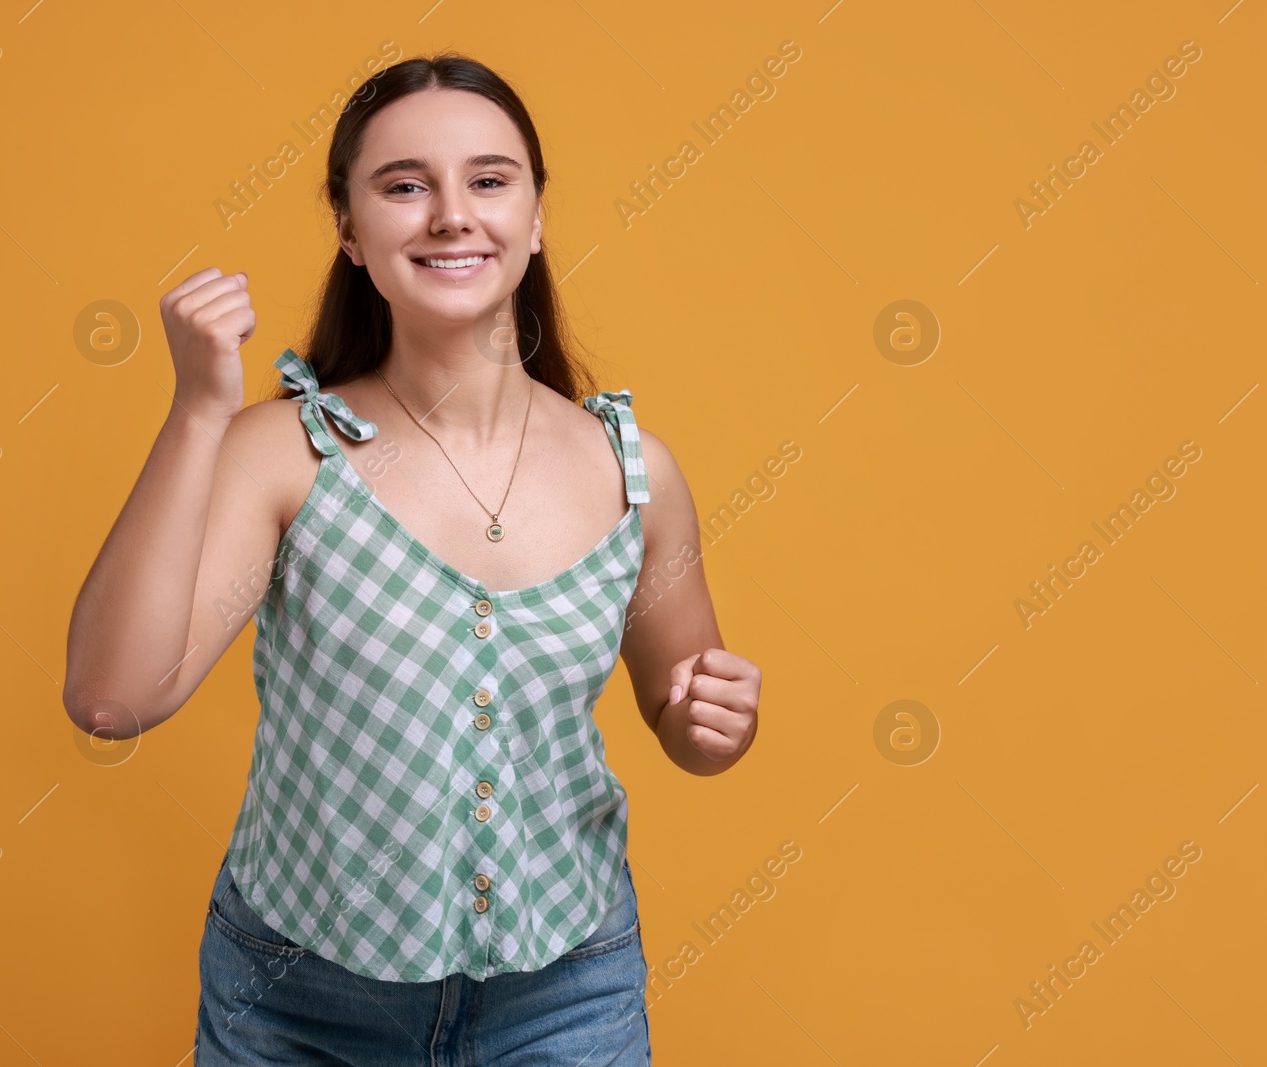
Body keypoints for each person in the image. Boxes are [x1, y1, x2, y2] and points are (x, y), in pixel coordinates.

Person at [62, 52, 762, 1065]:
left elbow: (684, 717)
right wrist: (198, 411)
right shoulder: (286, 454)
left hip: (567, 990)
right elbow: (112, 697)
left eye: (488, 179)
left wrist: (715, 721)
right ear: (348, 229)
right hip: (299, 1000)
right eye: (403, 185)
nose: (450, 215)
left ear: (534, 215)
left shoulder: (630, 470)